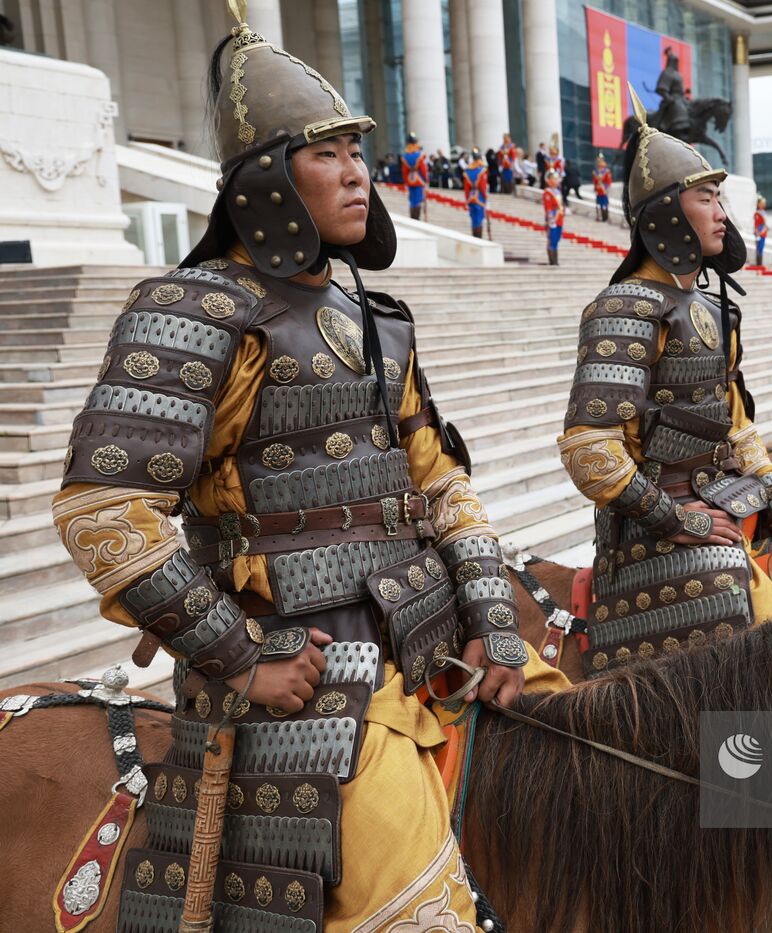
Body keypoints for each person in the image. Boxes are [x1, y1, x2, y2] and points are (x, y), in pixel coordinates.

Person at [50, 4, 565, 928]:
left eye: (358, 152)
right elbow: (103, 513)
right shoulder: (194, 308)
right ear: (265, 182)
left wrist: (493, 612)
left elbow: (439, 481)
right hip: (305, 677)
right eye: (327, 153)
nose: (358, 172)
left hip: (428, 641)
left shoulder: (376, 316)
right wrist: (242, 657)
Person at [555, 86, 772, 675]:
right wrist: (679, 521)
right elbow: (589, 450)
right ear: (669, 212)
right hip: (653, 533)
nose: (724, 214)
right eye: (708, 199)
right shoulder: (625, 306)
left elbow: (738, 430)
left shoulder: (712, 308)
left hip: (722, 500)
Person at [400, 132, 429, 220]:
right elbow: (423, 169)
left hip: (410, 180)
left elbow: (404, 171)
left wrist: (405, 181)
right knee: (418, 199)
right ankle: (417, 216)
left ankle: (413, 216)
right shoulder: (419, 155)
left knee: (412, 200)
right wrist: (426, 180)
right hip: (418, 179)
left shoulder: (406, 156)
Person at [463, 147, 489, 239]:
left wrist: (466, 198)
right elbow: (482, 186)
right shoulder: (481, 170)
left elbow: (466, 188)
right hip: (479, 197)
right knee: (479, 219)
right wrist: (485, 197)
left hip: (471, 197)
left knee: (473, 219)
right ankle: (478, 237)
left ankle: (474, 236)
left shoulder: (468, 171)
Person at [543, 169, 564, 265]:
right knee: (552, 239)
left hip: (559, 218)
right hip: (553, 219)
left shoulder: (557, 192)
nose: (556, 180)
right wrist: (551, 220)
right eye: (554, 178)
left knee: (557, 238)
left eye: (556, 178)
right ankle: (553, 261)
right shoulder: (548, 192)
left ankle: (555, 259)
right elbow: (548, 208)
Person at [592, 152, 612, 222]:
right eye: (598, 160)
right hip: (598, 190)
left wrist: (606, 189)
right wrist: (595, 187)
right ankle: (599, 216)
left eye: (600, 160)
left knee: (605, 204)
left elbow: (608, 181)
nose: (599, 162)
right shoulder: (595, 171)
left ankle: (605, 217)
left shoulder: (606, 171)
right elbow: (594, 181)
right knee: (598, 204)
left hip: (604, 189)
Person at [753, 195, 769, 266]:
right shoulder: (756, 213)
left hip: (762, 232)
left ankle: (760, 264)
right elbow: (755, 223)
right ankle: (758, 263)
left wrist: (762, 231)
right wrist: (756, 231)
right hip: (757, 231)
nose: (763, 204)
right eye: (762, 203)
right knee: (757, 247)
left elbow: (766, 224)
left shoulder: (763, 213)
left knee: (761, 247)